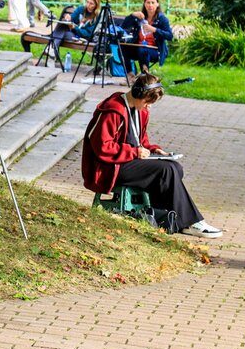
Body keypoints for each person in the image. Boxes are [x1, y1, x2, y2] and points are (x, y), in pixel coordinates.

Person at [81, 74, 222, 238]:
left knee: (175, 167)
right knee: (166, 171)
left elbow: (140, 140)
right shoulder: (114, 110)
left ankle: (172, 219)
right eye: (147, 102)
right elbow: (102, 146)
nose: (149, 107)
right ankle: (190, 222)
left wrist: (154, 150)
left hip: (127, 161)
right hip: (109, 168)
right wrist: (134, 152)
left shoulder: (139, 110)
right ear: (138, 93)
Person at [120, 0, 173, 82]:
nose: (150, 5)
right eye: (148, 3)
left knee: (143, 50)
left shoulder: (162, 19)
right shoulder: (140, 17)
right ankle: (130, 76)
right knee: (122, 47)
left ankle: (144, 77)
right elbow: (124, 26)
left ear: (157, 4)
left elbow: (170, 36)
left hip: (155, 50)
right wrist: (132, 15)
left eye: (153, 3)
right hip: (139, 47)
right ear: (144, 4)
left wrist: (154, 30)